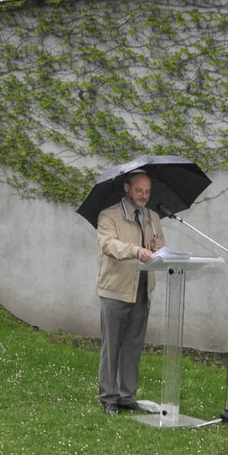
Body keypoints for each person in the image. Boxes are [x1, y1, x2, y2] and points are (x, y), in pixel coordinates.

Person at [96, 170, 163, 413]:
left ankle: (126, 395)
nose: (144, 195)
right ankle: (109, 398)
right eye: (139, 190)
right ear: (127, 188)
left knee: (133, 346)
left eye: (147, 191)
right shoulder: (109, 216)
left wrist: (158, 247)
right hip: (115, 289)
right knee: (111, 346)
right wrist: (135, 250)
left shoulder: (153, 217)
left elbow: (158, 249)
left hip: (143, 290)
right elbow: (108, 244)